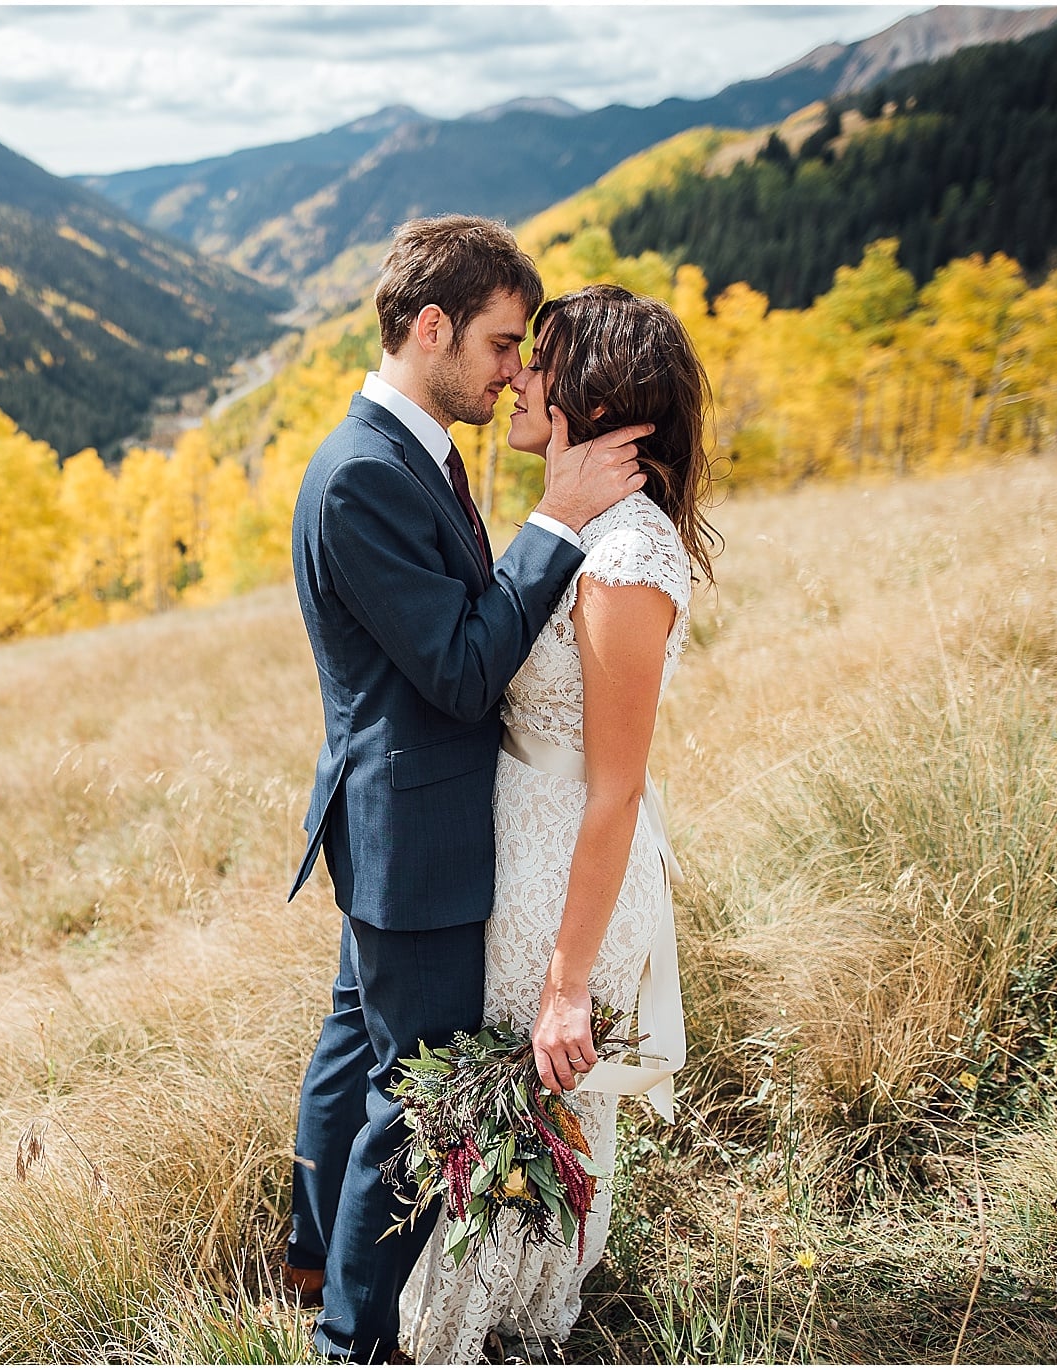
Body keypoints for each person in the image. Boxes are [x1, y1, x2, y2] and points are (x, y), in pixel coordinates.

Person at [284, 217, 650, 1364]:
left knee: (356, 1040)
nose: (512, 368)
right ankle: (353, 1338)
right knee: (412, 1096)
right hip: (417, 831)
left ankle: (307, 1250)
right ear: (429, 327)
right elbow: (453, 664)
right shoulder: (361, 479)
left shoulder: (414, 452)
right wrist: (557, 521)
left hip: (408, 814)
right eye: (498, 343)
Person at [398, 283, 717, 1361]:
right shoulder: (583, 529)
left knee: (527, 1128)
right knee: (497, 1130)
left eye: (541, 361)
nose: (517, 378)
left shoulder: (624, 557)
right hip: (518, 855)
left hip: (562, 884)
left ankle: (492, 1338)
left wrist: (567, 978)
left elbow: (614, 786)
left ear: (591, 391)